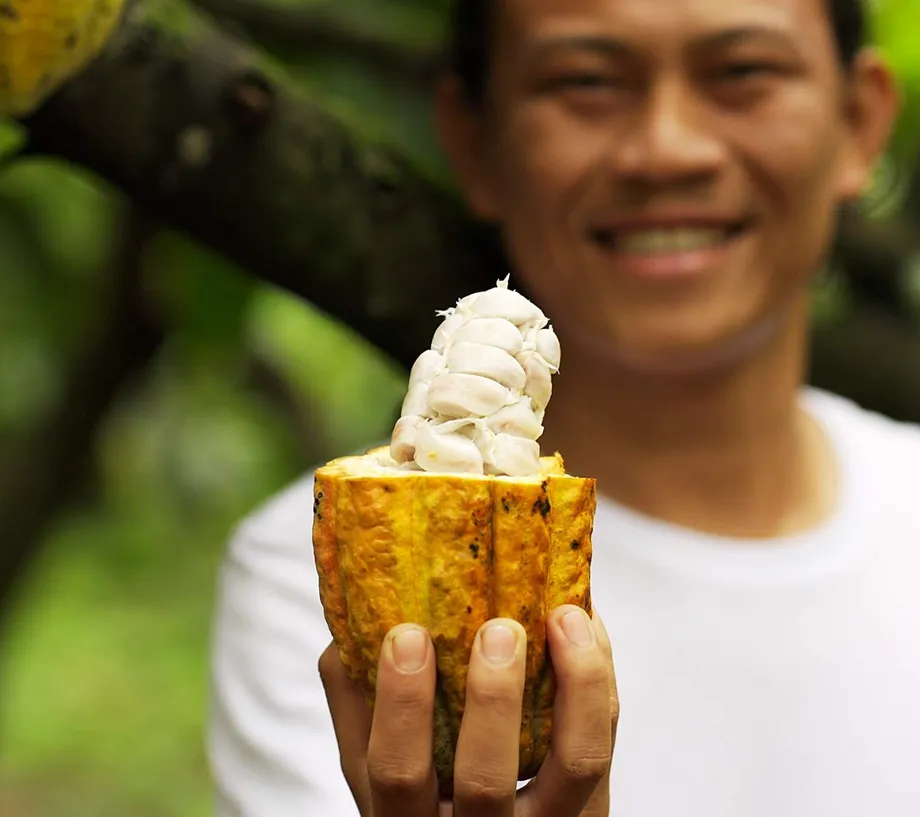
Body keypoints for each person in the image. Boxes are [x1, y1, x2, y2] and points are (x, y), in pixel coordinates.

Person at [205, 0, 916, 815]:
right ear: (474, 141)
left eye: (743, 73)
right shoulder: (303, 593)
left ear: (859, 121)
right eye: (584, 81)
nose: (666, 149)